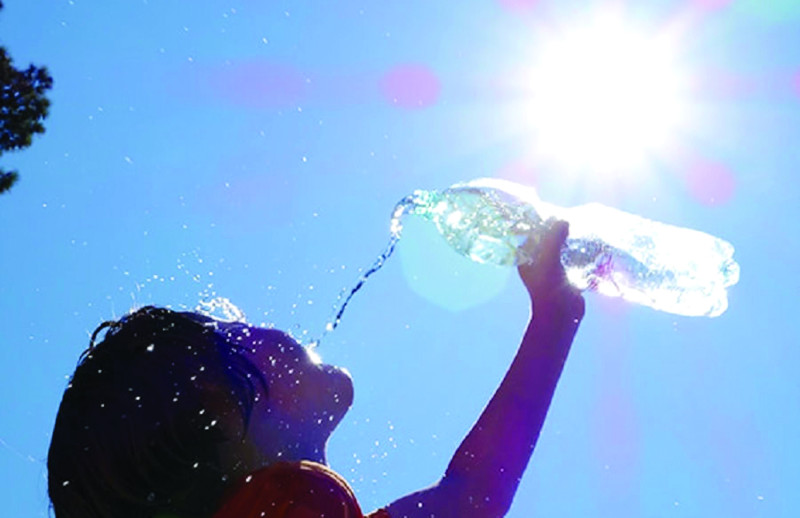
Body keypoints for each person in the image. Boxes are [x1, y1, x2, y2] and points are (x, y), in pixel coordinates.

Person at [47, 221, 584, 518]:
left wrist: (555, 319)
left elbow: (470, 494)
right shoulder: (289, 511)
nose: (267, 329)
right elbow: (472, 500)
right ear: (217, 405)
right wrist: (554, 320)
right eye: (237, 330)